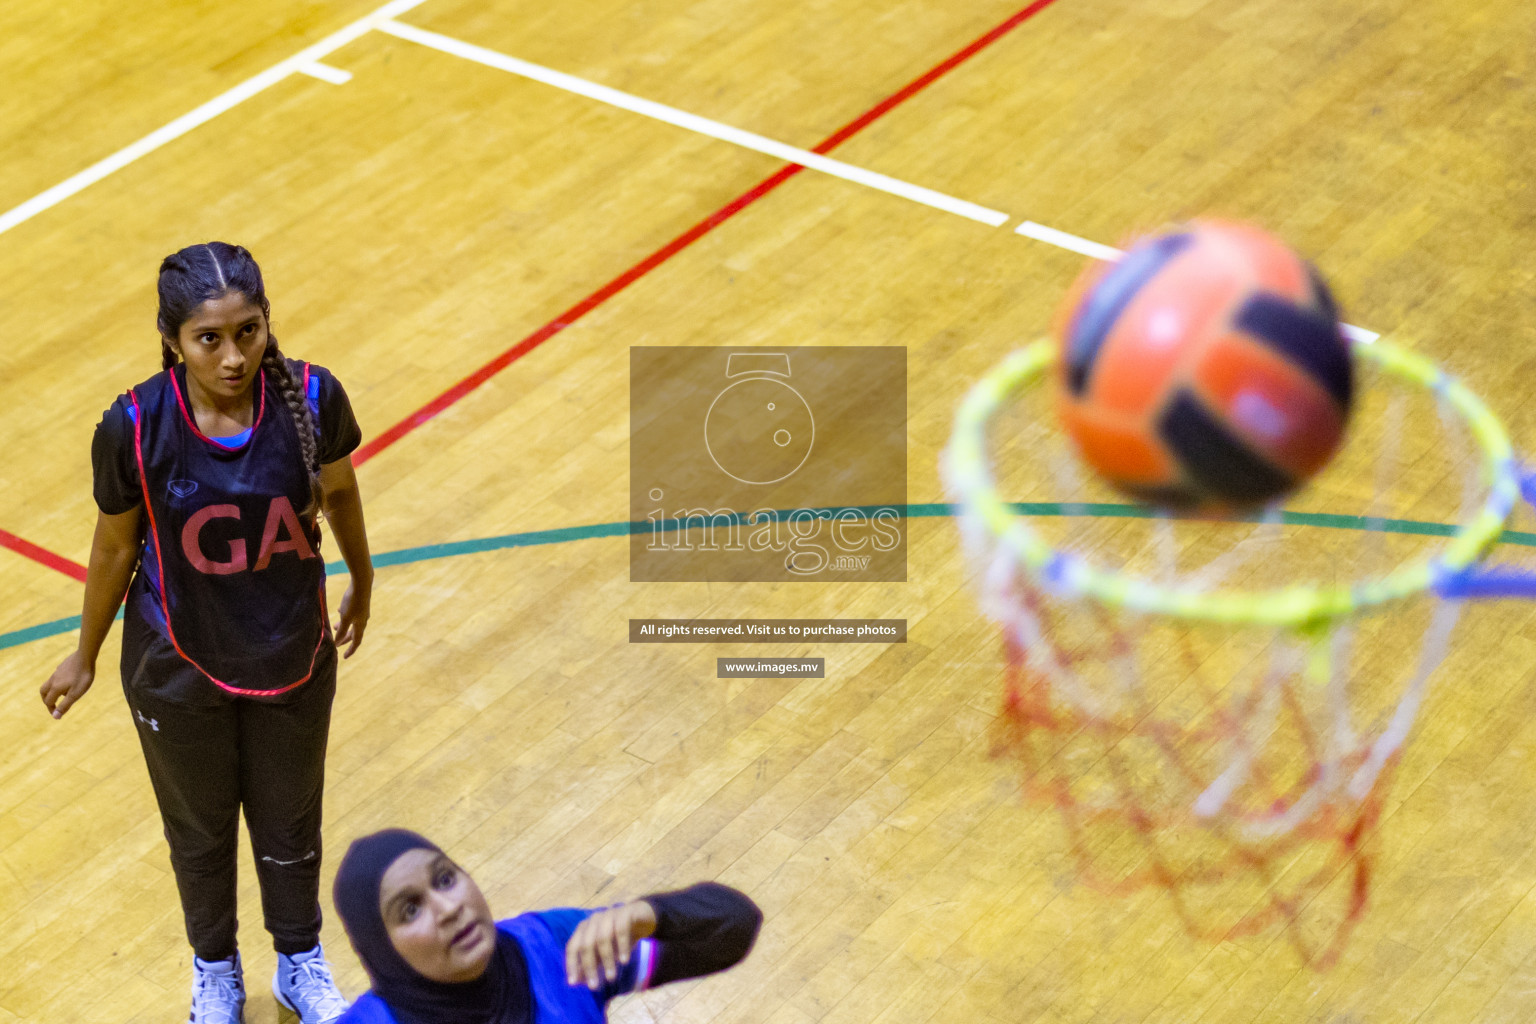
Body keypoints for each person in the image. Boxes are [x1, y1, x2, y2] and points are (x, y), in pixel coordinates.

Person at [39, 242, 374, 1024]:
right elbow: (115, 546)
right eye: (210, 339)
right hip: (175, 664)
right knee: (200, 829)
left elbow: (345, 495)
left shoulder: (313, 400)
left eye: (249, 331)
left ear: (267, 325)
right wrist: (84, 654)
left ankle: (299, 961)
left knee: (291, 818)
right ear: (172, 339)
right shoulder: (132, 424)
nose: (234, 355)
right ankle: (215, 969)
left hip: (291, 649)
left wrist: (363, 577)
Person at [332, 829, 762, 1024]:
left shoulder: (558, 948)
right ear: (379, 949)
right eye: (410, 910)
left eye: (446, 878)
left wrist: (650, 914)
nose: (448, 908)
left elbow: (735, 928)